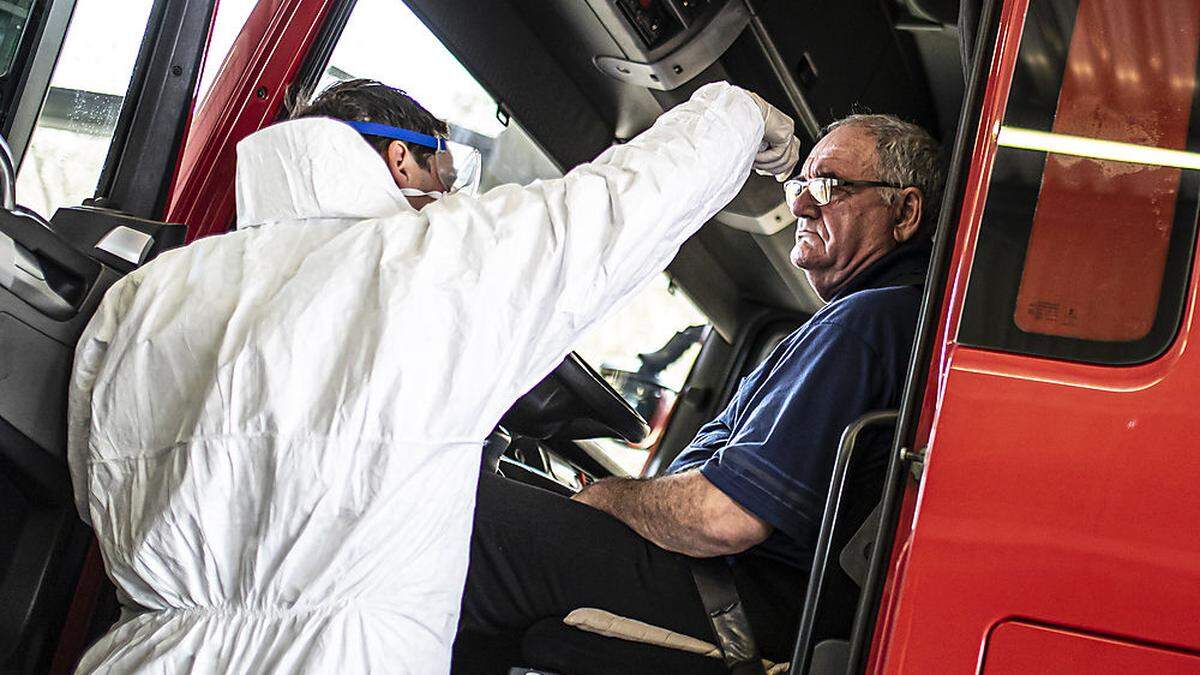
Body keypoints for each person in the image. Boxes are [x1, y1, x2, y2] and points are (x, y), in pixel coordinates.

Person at [65, 78, 799, 674]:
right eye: (449, 176)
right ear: (400, 161)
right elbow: (623, 204)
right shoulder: (425, 264)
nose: (454, 199)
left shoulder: (143, 297)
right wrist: (736, 111)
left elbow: (96, 487)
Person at [454, 114, 944, 674]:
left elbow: (724, 518)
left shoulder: (868, 321)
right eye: (799, 185)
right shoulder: (893, 318)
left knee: (472, 523)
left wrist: (605, 498)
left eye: (828, 186)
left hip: (738, 607)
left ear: (904, 212)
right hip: (746, 597)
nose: (803, 205)